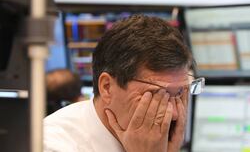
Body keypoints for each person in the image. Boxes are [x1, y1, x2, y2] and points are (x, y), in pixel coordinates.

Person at [44, 15, 198, 152]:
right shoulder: (50, 144)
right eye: (157, 94)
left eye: (178, 92)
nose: (174, 114)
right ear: (107, 87)